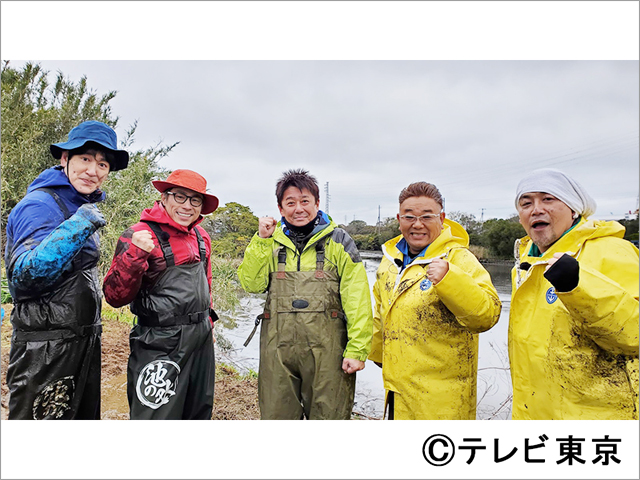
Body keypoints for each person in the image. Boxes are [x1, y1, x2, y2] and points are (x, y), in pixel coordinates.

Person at [5, 120, 129, 419]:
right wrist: (79, 225)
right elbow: (23, 279)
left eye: (102, 164)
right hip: (45, 348)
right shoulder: (39, 205)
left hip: (81, 340)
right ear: (65, 160)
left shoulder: (79, 205)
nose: (93, 171)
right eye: (85, 159)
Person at [237, 169, 373, 420]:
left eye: (305, 201)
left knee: (329, 419)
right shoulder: (270, 242)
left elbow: (358, 298)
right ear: (280, 208)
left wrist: (357, 349)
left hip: (328, 354)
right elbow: (251, 284)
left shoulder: (339, 241)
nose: (298, 208)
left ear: (317, 203)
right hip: (277, 352)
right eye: (290, 203)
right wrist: (260, 241)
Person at [510, 168, 639, 420]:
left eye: (548, 199)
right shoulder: (527, 264)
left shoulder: (612, 250)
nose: (536, 209)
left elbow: (635, 336)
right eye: (526, 203)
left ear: (574, 209)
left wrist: (579, 286)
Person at [369, 181, 501, 420]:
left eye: (426, 217)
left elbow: (487, 315)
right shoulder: (390, 260)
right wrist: (376, 355)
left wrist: (450, 279)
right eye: (409, 217)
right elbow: (381, 313)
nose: (417, 224)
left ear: (442, 218)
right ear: (399, 219)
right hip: (397, 391)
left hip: (443, 400)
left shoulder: (459, 258)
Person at [103, 169, 219, 420]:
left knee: (198, 412)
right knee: (155, 415)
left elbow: (206, 284)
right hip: (158, 341)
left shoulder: (202, 237)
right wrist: (135, 254)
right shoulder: (138, 235)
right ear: (164, 198)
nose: (187, 206)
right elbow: (114, 296)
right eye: (179, 197)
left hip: (200, 339)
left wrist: (208, 325)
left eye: (195, 200)